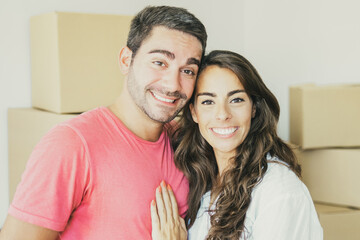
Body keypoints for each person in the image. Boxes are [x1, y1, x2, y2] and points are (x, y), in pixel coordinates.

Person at [0, 5, 207, 240]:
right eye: (159, 62)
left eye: (188, 71)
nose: (173, 85)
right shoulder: (71, 144)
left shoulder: (184, 141)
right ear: (126, 60)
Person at [151, 50, 323, 239]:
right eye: (208, 101)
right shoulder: (202, 183)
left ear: (254, 108)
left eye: (236, 100)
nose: (223, 114)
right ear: (194, 112)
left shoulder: (279, 191)